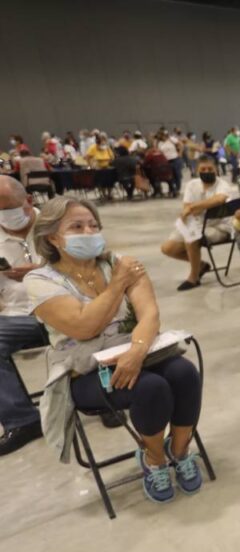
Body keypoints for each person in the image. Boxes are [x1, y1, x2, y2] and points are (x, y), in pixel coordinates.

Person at [24, 197, 204, 502]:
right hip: (85, 370)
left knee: (184, 373)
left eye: (93, 225)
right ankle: (155, 460)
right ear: (53, 237)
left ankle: (180, 450)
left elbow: (149, 314)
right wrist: (118, 284)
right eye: (77, 227)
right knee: (150, 387)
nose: (89, 232)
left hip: (140, 352)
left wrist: (136, 351)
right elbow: (84, 327)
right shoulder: (40, 280)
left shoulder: (118, 262)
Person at [0, 177, 47, 455]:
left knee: (91, 323)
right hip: (17, 316)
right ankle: (23, 420)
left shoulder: (58, 223)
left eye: (8, 209)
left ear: (28, 201)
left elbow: (89, 269)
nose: (4, 217)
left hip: (63, 308)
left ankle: (105, 400)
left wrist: (40, 271)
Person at [160, 156, 239, 291]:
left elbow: (218, 200)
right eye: (203, 169)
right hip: (196, 223)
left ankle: (194, 277)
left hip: (220, 227)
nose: (206, 171)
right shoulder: (192, 185)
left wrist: (193, 207)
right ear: (197, 170)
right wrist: (195, 208)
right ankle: (201, 265)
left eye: (210, 169)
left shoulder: (223, 185)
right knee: (167, 248)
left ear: (216, 169)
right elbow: (186, 208)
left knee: (191, 237)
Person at [156, 132, 182, 197]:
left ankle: (178, 189)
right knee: (170, 176)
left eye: (165, 135)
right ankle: (173, 189)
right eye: (162, 136)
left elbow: (181, 144)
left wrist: (180, 153)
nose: (163, 137)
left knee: (177, 175)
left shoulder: (171, 139)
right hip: (166, 161)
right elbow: (159, 152)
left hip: (175, 159)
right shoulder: (160, 143)